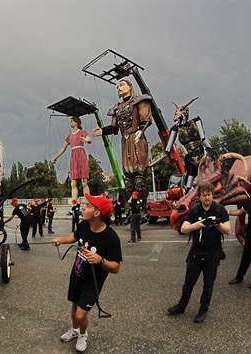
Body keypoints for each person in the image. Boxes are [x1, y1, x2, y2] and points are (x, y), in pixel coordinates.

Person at [51, 193, 122, 353]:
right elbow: (74, 237)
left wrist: (100, 260)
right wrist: (60, 240)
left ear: (97, 213)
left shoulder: (111, 238)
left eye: (88, 205)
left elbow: (116, 267)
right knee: (74, 305)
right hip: (76, 275)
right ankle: (75, 330)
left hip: (93, 283)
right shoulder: (84, 225)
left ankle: (83, 334)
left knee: (81, 315)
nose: (83, 207)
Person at [167, 182, 231, 324]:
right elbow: (183, 229)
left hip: (212, 254)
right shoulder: (195, 210)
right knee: (188, 282)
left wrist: (216, 224)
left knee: (208, 285)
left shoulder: (219, 209)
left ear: (212, 195)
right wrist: (198, 225)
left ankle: (203, 310)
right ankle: (181, 306)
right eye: (204, 195)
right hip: (196, 253)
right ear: (200, 197)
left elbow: (228, 230)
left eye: (209, 195)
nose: (206, 198)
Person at [94, 79, 153, 210]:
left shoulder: (140, 100)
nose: (118, 88)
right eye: (117, 86)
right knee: (128, 181)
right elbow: (115, 128)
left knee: (139, 178)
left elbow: (145, 119)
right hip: (125, 141)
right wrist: (102, 131)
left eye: (121, 85)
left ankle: (142, 208)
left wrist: (140, 130)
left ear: (130, 87)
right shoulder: (117, 108)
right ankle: (133, 209)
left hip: (137, 139)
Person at [52, 116, 92, 203]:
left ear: (76, 122)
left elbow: (89, 140)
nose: (70, 123)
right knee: (73, 183)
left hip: (81, 156)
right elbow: (63, 148)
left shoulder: (82, 132)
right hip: (73, 157)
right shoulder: (69, 136)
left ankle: (88, 202)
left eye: (72, 121)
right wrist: (56, 157)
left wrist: (86, 139)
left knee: (84, 182)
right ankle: (74, 203)